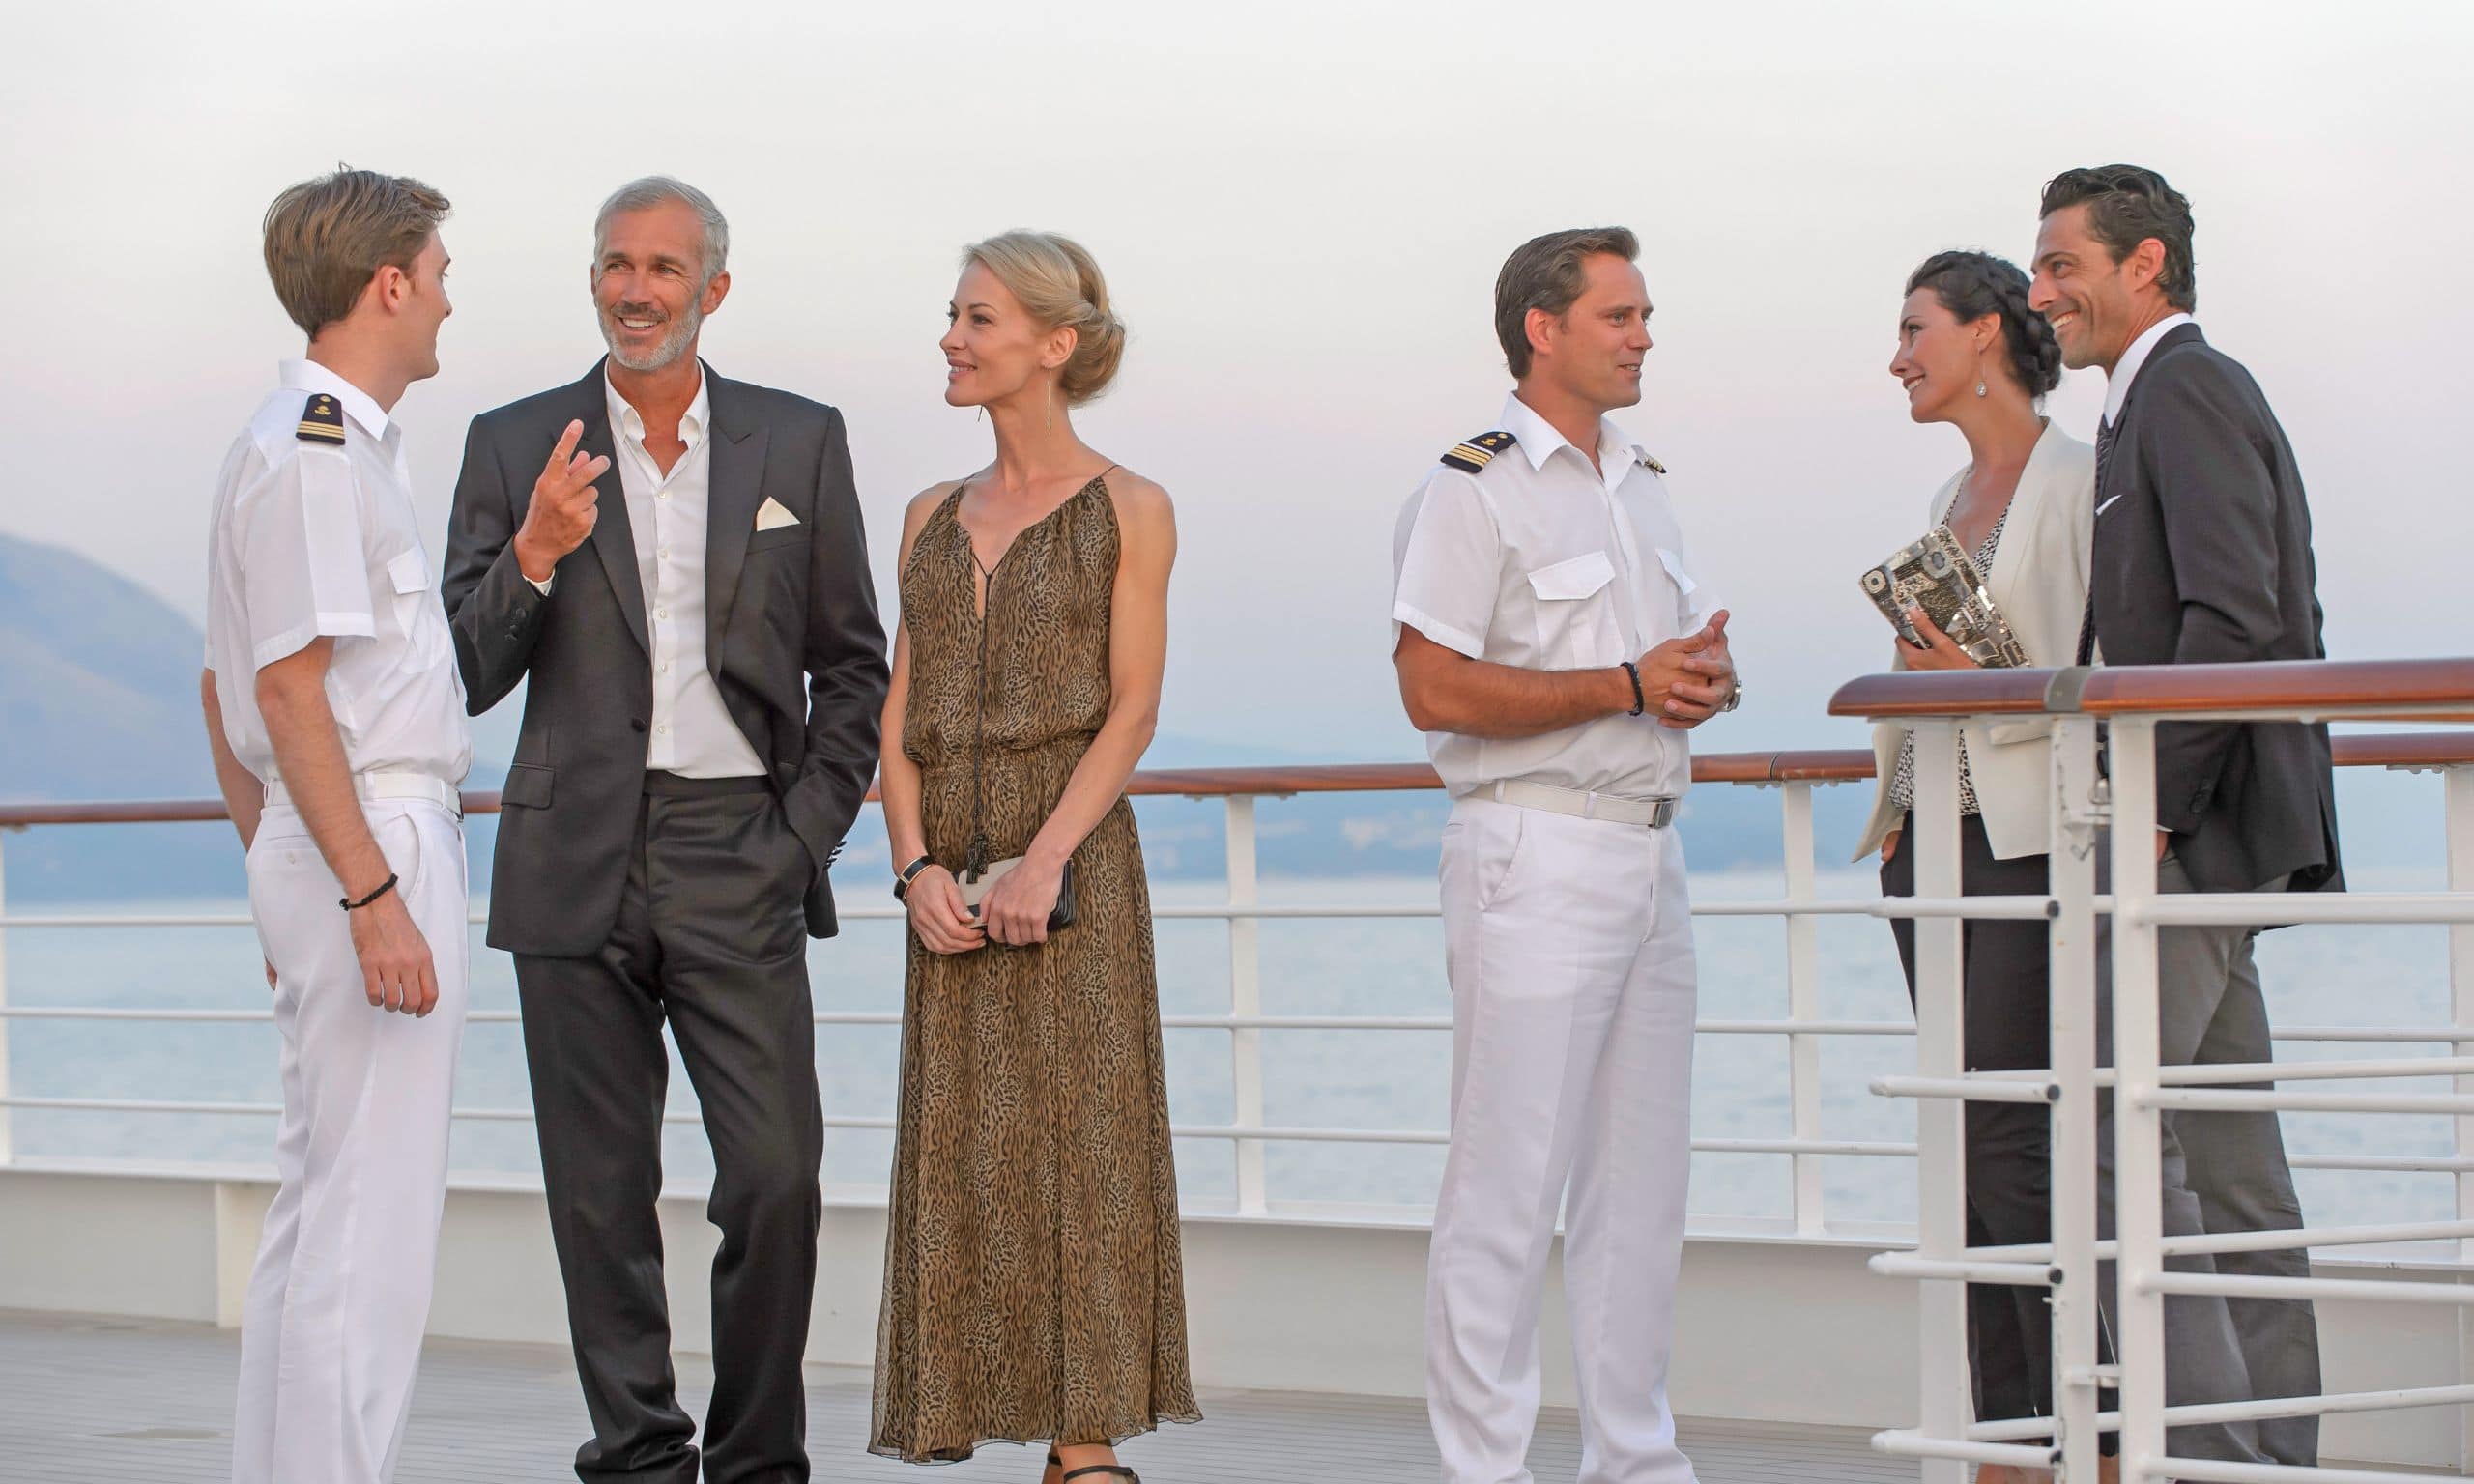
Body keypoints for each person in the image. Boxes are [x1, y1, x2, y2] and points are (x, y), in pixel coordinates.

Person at [441, 176, 889, 1484]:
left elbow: (852, 664)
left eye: (662, 269)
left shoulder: (796, 440)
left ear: (713, 290)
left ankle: (758, 1462)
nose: (635, 291)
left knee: (775, 1177)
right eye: (615, 265)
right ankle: (638, 1456)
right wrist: (533, 553)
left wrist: (801, 838)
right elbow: (464, 669)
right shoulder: (512, 442)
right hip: (569, 856)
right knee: (599, 1195)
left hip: (738, 848)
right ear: (593, 277)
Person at [1391, 226, 1739, 1484]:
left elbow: (1642, 677)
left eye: (1644, 316)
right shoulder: (1470, 488)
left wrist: (1695, 683)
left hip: (1651, 853)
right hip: (1531, 852)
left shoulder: (1643, 483)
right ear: (1543, 330)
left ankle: (1635, 1464)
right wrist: (1628, 683)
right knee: (1506, 1186)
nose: (1644, 337)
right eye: (1619, 316)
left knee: (1639, 1190)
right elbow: (1430, 687)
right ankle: (1485, 1472)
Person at [870, 230, 1196, 1484]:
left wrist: (1045, 859)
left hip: (1074, 871)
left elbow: (1134, 711)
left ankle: (1086, 1444)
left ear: (1055, 344)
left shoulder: (1132, 509)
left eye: (979, 319)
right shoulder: (926, 515)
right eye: (953, 315)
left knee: (1085, 1153)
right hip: (947, 877)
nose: (951, 338)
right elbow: (897, 719)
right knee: (971, 1157)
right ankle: (1004, 1420)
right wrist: (914, 871)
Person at [2030, 162, 2339, 1468]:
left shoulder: (2187, 388)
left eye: (2061, 266)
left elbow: (2235, 612)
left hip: (2194, 836)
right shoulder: (2142, 403)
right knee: (2227, 1165)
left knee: (2112, 1129)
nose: (2040, 294)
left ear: (2144, 263)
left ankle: (2215, 1458)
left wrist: (2154, 812)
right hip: (2205, 833)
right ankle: (2266, 1452)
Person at [201, 166, 472, 1484]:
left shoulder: (305, 442)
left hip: (328, 840)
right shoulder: (317, 450)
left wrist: (284, 870)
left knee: (323, 1216)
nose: (448, 302)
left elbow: (226, 689)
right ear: (389, 283)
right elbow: (283, 690)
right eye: (439, 276)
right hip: (374, 835)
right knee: (367, 1232)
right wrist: (366, 896)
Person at [1856, 250, 2091, 1474]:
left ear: (1986, 333)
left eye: (1916, 330)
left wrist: (1975, 684)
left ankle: (2078, 1425)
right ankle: (2006, 1438)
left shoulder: (2080, 484)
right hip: (1929, 848)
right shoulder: (1950, 492)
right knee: (1964, 1139)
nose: (1898, 358)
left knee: (2010, 1138)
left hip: (2021, 845)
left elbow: (2094, 679)